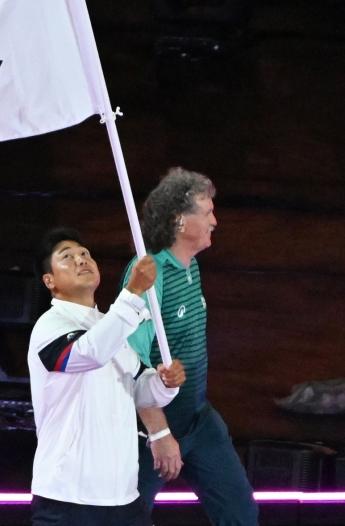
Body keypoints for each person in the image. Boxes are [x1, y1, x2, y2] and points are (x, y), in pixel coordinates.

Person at [123, 168, 258, 526]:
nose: (215, 220)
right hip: (150, 432)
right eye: (207, 211)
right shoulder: (149, 273)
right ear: (180, 221)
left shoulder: (191, 267)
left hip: (198, 420)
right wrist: (160, 433)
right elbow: (128, 361)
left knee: (241, 515)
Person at [28, 227, 186, 526]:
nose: (81, 259)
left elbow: (139, 390)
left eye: (85, 254)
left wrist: (163, 383)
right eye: (68, 257)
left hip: (124, 499)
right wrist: (133, 293)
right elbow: (90, 352)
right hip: (67, 500)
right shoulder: (49, 327)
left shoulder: (112, 329)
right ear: (49, 281)